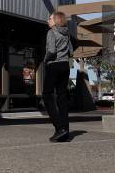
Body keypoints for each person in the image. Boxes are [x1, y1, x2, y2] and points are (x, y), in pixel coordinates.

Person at [43, 11, 74, 142]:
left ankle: (59, 127)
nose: (47, 20)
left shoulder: (51, 32)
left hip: (54, 65)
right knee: (62, 98)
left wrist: (45, 60)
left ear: (56, 20)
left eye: (50, 18)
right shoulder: (66, 33)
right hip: (65, 66)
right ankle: (65, 133)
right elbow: (71, 51)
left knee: (46, 95)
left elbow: (51, 50)